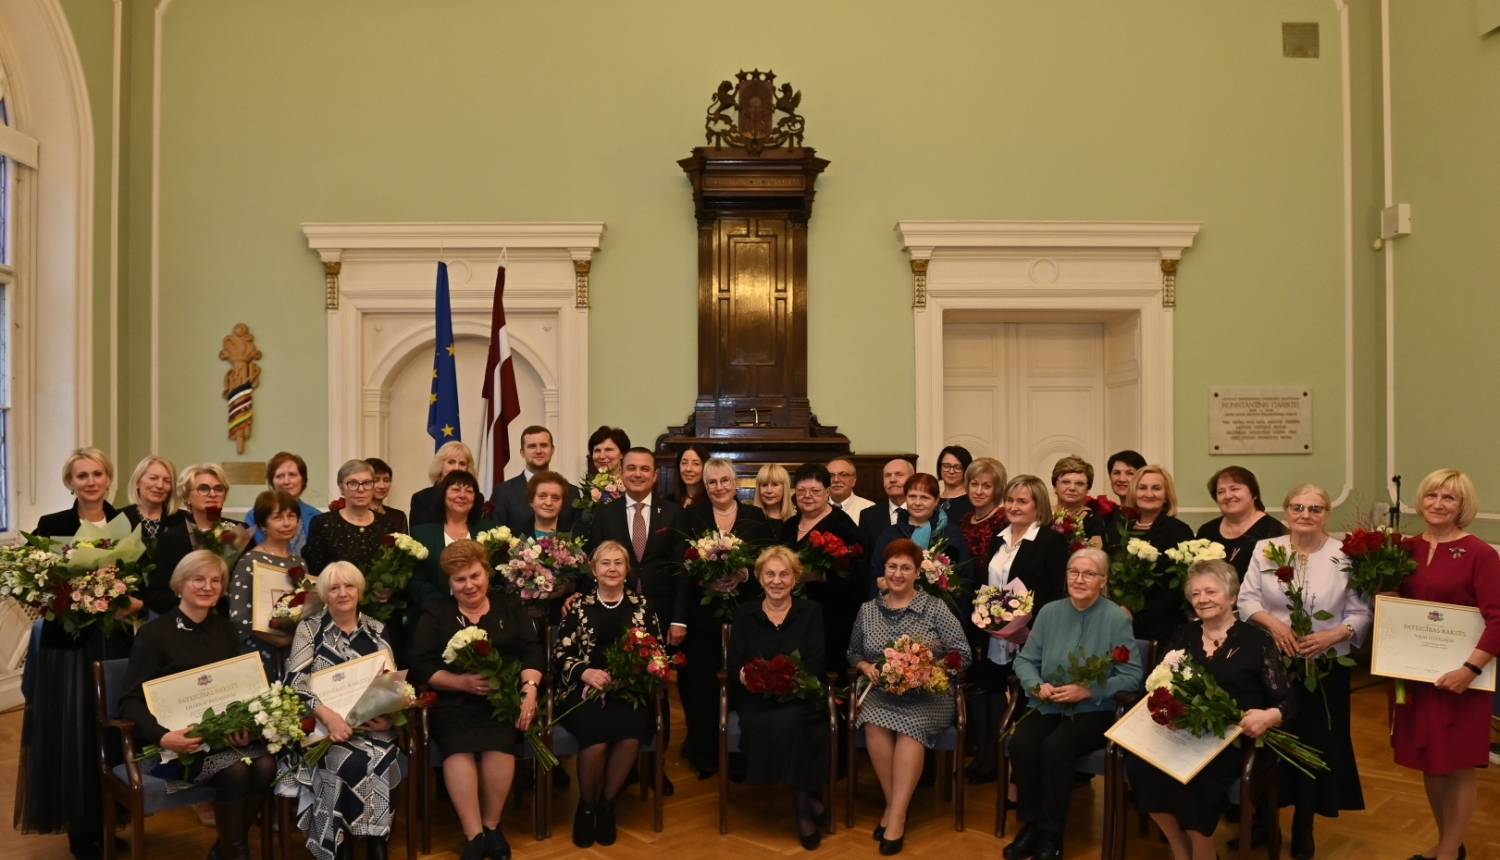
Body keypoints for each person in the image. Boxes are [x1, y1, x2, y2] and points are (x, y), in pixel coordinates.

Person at [15, 448, 140, 860]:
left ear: (109, 478)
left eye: (97, 473)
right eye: (81, 475)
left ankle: (108, 820)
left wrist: (127, 599)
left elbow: (144, 578)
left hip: (114, 642)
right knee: (74, 735)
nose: (90, 481)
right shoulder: (52, 526)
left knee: (110, 733)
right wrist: (64, 597)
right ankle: (79, 829)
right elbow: (35, 588)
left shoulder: (128, 523)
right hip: (67, 649)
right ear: (69, 482)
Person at [1125, 559, 1295, 860]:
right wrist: (1166, 712)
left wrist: (1269, 716)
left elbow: (1287, 701)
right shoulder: (1182, 636)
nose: (1202, 599)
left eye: (1211, 592)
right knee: (1140, 765)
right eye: (1196, 593)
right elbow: (1156, 686)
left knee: (1196, 777)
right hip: (1186, 730)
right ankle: (1179, 847)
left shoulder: (1257, 641)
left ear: (1232, 596)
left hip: (1235, 735)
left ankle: (1203, 852)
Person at [119, 551, 278, 860]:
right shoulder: (154, 634)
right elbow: (129, 701)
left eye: (216, 580)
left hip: (223, 741)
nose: (208, 586)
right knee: (236, 772)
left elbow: (241, 692)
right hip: (176, 745)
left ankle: (224, 851)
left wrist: (244, 725)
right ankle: (235, 855)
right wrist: (163, 736)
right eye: (198, 579)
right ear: (179, 585)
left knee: (267, 765)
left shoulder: (226, 630)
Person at [1239, 483, 1368, 859]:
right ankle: (1264, 818)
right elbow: (1247, 599)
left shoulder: (1344, 554)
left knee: (1315, 743)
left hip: (1325, 667)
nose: (1305, 514)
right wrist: (1274, 625)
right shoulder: (1266, 549)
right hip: (1272, 661)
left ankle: (1304, 824)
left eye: (1315, 508)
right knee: (1270, 738)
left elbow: (1361, 614)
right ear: (1286, 512)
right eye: (1298, 507)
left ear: (1327, 514)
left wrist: (1332, 635)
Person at [1005, 547, 1142, 860]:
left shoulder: (1115, 618)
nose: (1079, 579)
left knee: (1056, 747)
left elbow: (1133, 675)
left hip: (1093, 711)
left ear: (1102, 580)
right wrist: (1036, 684)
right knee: (1023, 742)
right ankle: (1030, 826)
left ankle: (1051, 834)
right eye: (1073, 572)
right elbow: (1025, 660)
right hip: (1048, 703)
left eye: (1089, 574)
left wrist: (1089, 690)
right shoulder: (1049, 612)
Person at [410, 540, 544, 860]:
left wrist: (529, 690)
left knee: (500, 743)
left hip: (503, 698)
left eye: (475, 576)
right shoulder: (436, 612)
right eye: (460, 579)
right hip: (453, 700)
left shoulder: (510, 606)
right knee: (458, 747)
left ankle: (493, 826)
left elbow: (532, 651)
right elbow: (420, 663)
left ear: (486, 573)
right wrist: (458, 682)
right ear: (449, 583)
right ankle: (474, 835)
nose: (469, 585)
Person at [1391, 469, 1500, 860]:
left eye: (1449, 498)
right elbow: (1395, 607)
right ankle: (1445, 844)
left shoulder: (1481, 554)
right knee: (1430, 761)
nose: (1438, 504)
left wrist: (1468, 672)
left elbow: (1498, 619)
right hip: (1418, 676)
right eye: (1432, 495)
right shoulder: (1403, 549)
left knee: (1457, 765)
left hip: (1462, 678)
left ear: (1463, 506)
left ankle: (1450, 852)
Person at [848, 539, 972, 855]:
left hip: (928, 694)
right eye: (892, 567)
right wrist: (865, 667)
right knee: (873, 721)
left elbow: (963, 654)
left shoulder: (935, 607)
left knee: (909, 727)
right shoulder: (867, 610)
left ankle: (895, 817)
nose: (898, 574)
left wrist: (930, 666)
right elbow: (853, 653)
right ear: (884, 570)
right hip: (884, 692)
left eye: (906, 568)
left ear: (917, 573)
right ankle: (897, 808)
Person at [279, 561, 403, 860]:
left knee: (384, 758)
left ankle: (376, 843)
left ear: (359, 591)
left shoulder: (377, 629)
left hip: (371, 725)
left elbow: (391, 680)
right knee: (347, 760)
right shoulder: (309, 629)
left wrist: (386, 713)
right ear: (324, 594)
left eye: (349, 586)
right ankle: (339, 843)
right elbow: (295, 681)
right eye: (334, 588)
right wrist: (328, 716)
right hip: (323, 729)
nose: (343, 593)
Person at [585, 447, 685, 795]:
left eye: (645, 469)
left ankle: (656, 765)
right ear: (621, 473)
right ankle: (622, 764)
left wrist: (679, 620)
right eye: (631, 469)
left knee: (657, 690)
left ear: (656, 475)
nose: (638, 474)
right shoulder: (605, 513)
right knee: (620, 689)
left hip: (660, 617)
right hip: (615, 616)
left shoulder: (672, 513)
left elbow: (681, 572)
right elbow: (594, 564)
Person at [552, 542, 662, 848]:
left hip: (629, 688)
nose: (612, 569)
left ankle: (607, 804)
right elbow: (560, 653)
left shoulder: (643, 605)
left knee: (630, 735)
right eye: (605, 563)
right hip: (583, 688)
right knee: (597, 739)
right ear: (594, 570)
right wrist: (585, 672)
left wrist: (632, 673)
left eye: (618, 563)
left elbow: (658, 651)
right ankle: (586, 806)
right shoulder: (578, 606)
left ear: (627, 571)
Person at [727, 546, 832, 849]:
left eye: (784, 573)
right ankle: (809, 801)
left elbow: (816, 661)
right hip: (757, 698)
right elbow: (735, 666)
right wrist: (746, 676)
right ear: (759, 578)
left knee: (793, 721)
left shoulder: (810, 611)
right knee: (767, 723)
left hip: (799, 695)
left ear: (795, 578)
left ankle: (802, 805)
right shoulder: (744, 613)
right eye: (770, 574)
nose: (776, 580)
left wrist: (788, 679)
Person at [968, 475, 1070, 784]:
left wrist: (1031, 630)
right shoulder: (998, 539)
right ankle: (988, 757)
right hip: (994, 635)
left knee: (1021, 698)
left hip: (1030, 637)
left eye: (1022, 501)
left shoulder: (1050, 541)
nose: (1014, 506)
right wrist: (985, 622)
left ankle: (1014, 769)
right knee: (988, 690)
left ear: (1038, 506)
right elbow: (988, 586)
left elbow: (1058, 594)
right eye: (1010, 500)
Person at [677, 458, 774, 778]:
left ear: (736, 484)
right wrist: (705, 579)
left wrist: (744, 574)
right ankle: (704, 753)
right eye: (712, 483)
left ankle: (741, 753)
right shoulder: (692, 516)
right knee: (700, 685)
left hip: (746, 613)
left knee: (744, 680)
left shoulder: (754, 516)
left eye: (724, 481)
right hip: (703, 615)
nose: (719, 487)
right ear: (705, 487)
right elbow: (681, 564)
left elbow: (767, 562)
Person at [779, 462, 865, 679]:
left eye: (815, 491)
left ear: (827, 492)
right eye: (801, 490)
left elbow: (857, 568)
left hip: (831, 616)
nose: (807, 496)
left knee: (827, 672)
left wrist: (819, 575)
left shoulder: (840, 522)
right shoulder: (790, 525)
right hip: (792, 613)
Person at [1109, 465, 1194, 644]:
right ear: (1134, 492)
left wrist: (1136, 613)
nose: (1149, 494)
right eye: (1142, 488)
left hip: (1160, 627)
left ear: (1166, 495)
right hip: (1117, 622)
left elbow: (1179, 587)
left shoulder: (1178, 530)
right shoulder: (1119, 527)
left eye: (1156, 488)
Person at [228, 490, 308, 678]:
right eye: (277, 517)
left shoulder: (300, 562)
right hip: (257, 650)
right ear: (263, 524)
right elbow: (238, 615)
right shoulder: (249, 560)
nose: (287, 523)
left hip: (294, 650)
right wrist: (275, 639)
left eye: (291, 516)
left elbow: (305, 607)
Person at [408, 470, 496, 635]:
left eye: (469, 491)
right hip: (434, 619)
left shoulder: (490, 530)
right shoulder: (422, 533)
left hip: (483, 616)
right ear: (443, 494)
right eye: (456, 489)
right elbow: (416, 580)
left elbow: (497, 572)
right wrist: (444, 606)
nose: (462, 495)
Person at [148, 462, 242, 615]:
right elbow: (156, 596)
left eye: (219, 489)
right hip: (184, 625)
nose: (212, 494)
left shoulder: (239, 533)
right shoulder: (172, 538)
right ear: (186, 496)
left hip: (229, 623)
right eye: (203, 488)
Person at [867, 473, 973, 604]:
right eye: (912, 496)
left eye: (924, 497)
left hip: (940, 614)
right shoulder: (890, 534)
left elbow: (964, 579)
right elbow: (876, 576)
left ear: (936, 500)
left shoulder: (950, 534)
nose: (917, 503)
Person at [303, 459, 399, 576]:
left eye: (367, 483)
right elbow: (313, 572)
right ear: (341, 488)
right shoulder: (323, 523)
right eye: (352, 483)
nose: (361, 489)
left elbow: (396, 568)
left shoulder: (387, 524)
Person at [1197, 466, 1287, 576]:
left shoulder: (1274, 531)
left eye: (1234, 489)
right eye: (1221, 492)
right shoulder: (1207, 531)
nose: (1228, 496)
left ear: (1254, 494)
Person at [493, 425, 579, 532]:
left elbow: (578, 534)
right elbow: (497, 536)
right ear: (522, 452)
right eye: (532, 446)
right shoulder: (503, 492)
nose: (538, 451)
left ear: (552, 450)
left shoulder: (572, 492)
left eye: (543, 445)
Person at [242, 452, 321, 554]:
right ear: (272, 482)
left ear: (303, 480)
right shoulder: (255, 515)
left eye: (292, 475)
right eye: (280, 476)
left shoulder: (317, 516)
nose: (286, 481)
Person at [409, 442, 485, 529]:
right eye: (451, 462)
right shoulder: (422, 498)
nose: (456, 468)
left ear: (468, 468)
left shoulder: (477, 497)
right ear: (440, 465)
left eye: (462, 464)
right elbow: (419, 535)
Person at [120, 454, 186, 551]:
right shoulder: (119, 517)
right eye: (153, 478)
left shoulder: (183, 520)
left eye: (167, 481)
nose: (160, 485)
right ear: (137, 482)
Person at [858, 458, 914, 563]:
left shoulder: (923, 512)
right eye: (887, 476)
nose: (892, 480)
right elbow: (864, 560)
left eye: (899, 474)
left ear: (912, 479)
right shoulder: (868, 516)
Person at [957, 457, 1008, 564]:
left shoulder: (1004, 519)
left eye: (986, 486)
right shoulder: (964, 520)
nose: (979, 491)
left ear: (997, 489)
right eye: (974, 484)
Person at [1049, 455, 1108, 544]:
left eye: (1079, 483)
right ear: (1054, 487)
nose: (1072, 488)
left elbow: (1094, 554)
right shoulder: (1042, 515)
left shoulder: (1094, 520)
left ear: (1087, 489)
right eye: (1066, 482)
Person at [366, 457, 408, 535]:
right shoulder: (357, 515)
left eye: (386, 480)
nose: (382, 486)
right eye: (376, 480)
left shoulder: (398, 516)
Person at [936, 445, 975, 520]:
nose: (951, 471)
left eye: (958, 467)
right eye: (946, 466)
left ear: (966, 469)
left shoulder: (973, 500)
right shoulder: (933, 499)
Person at [672, 443, 709, 508]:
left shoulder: (712, 502)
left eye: (696, 464)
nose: (688, 469)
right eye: (684, 463)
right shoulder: (669, 502)